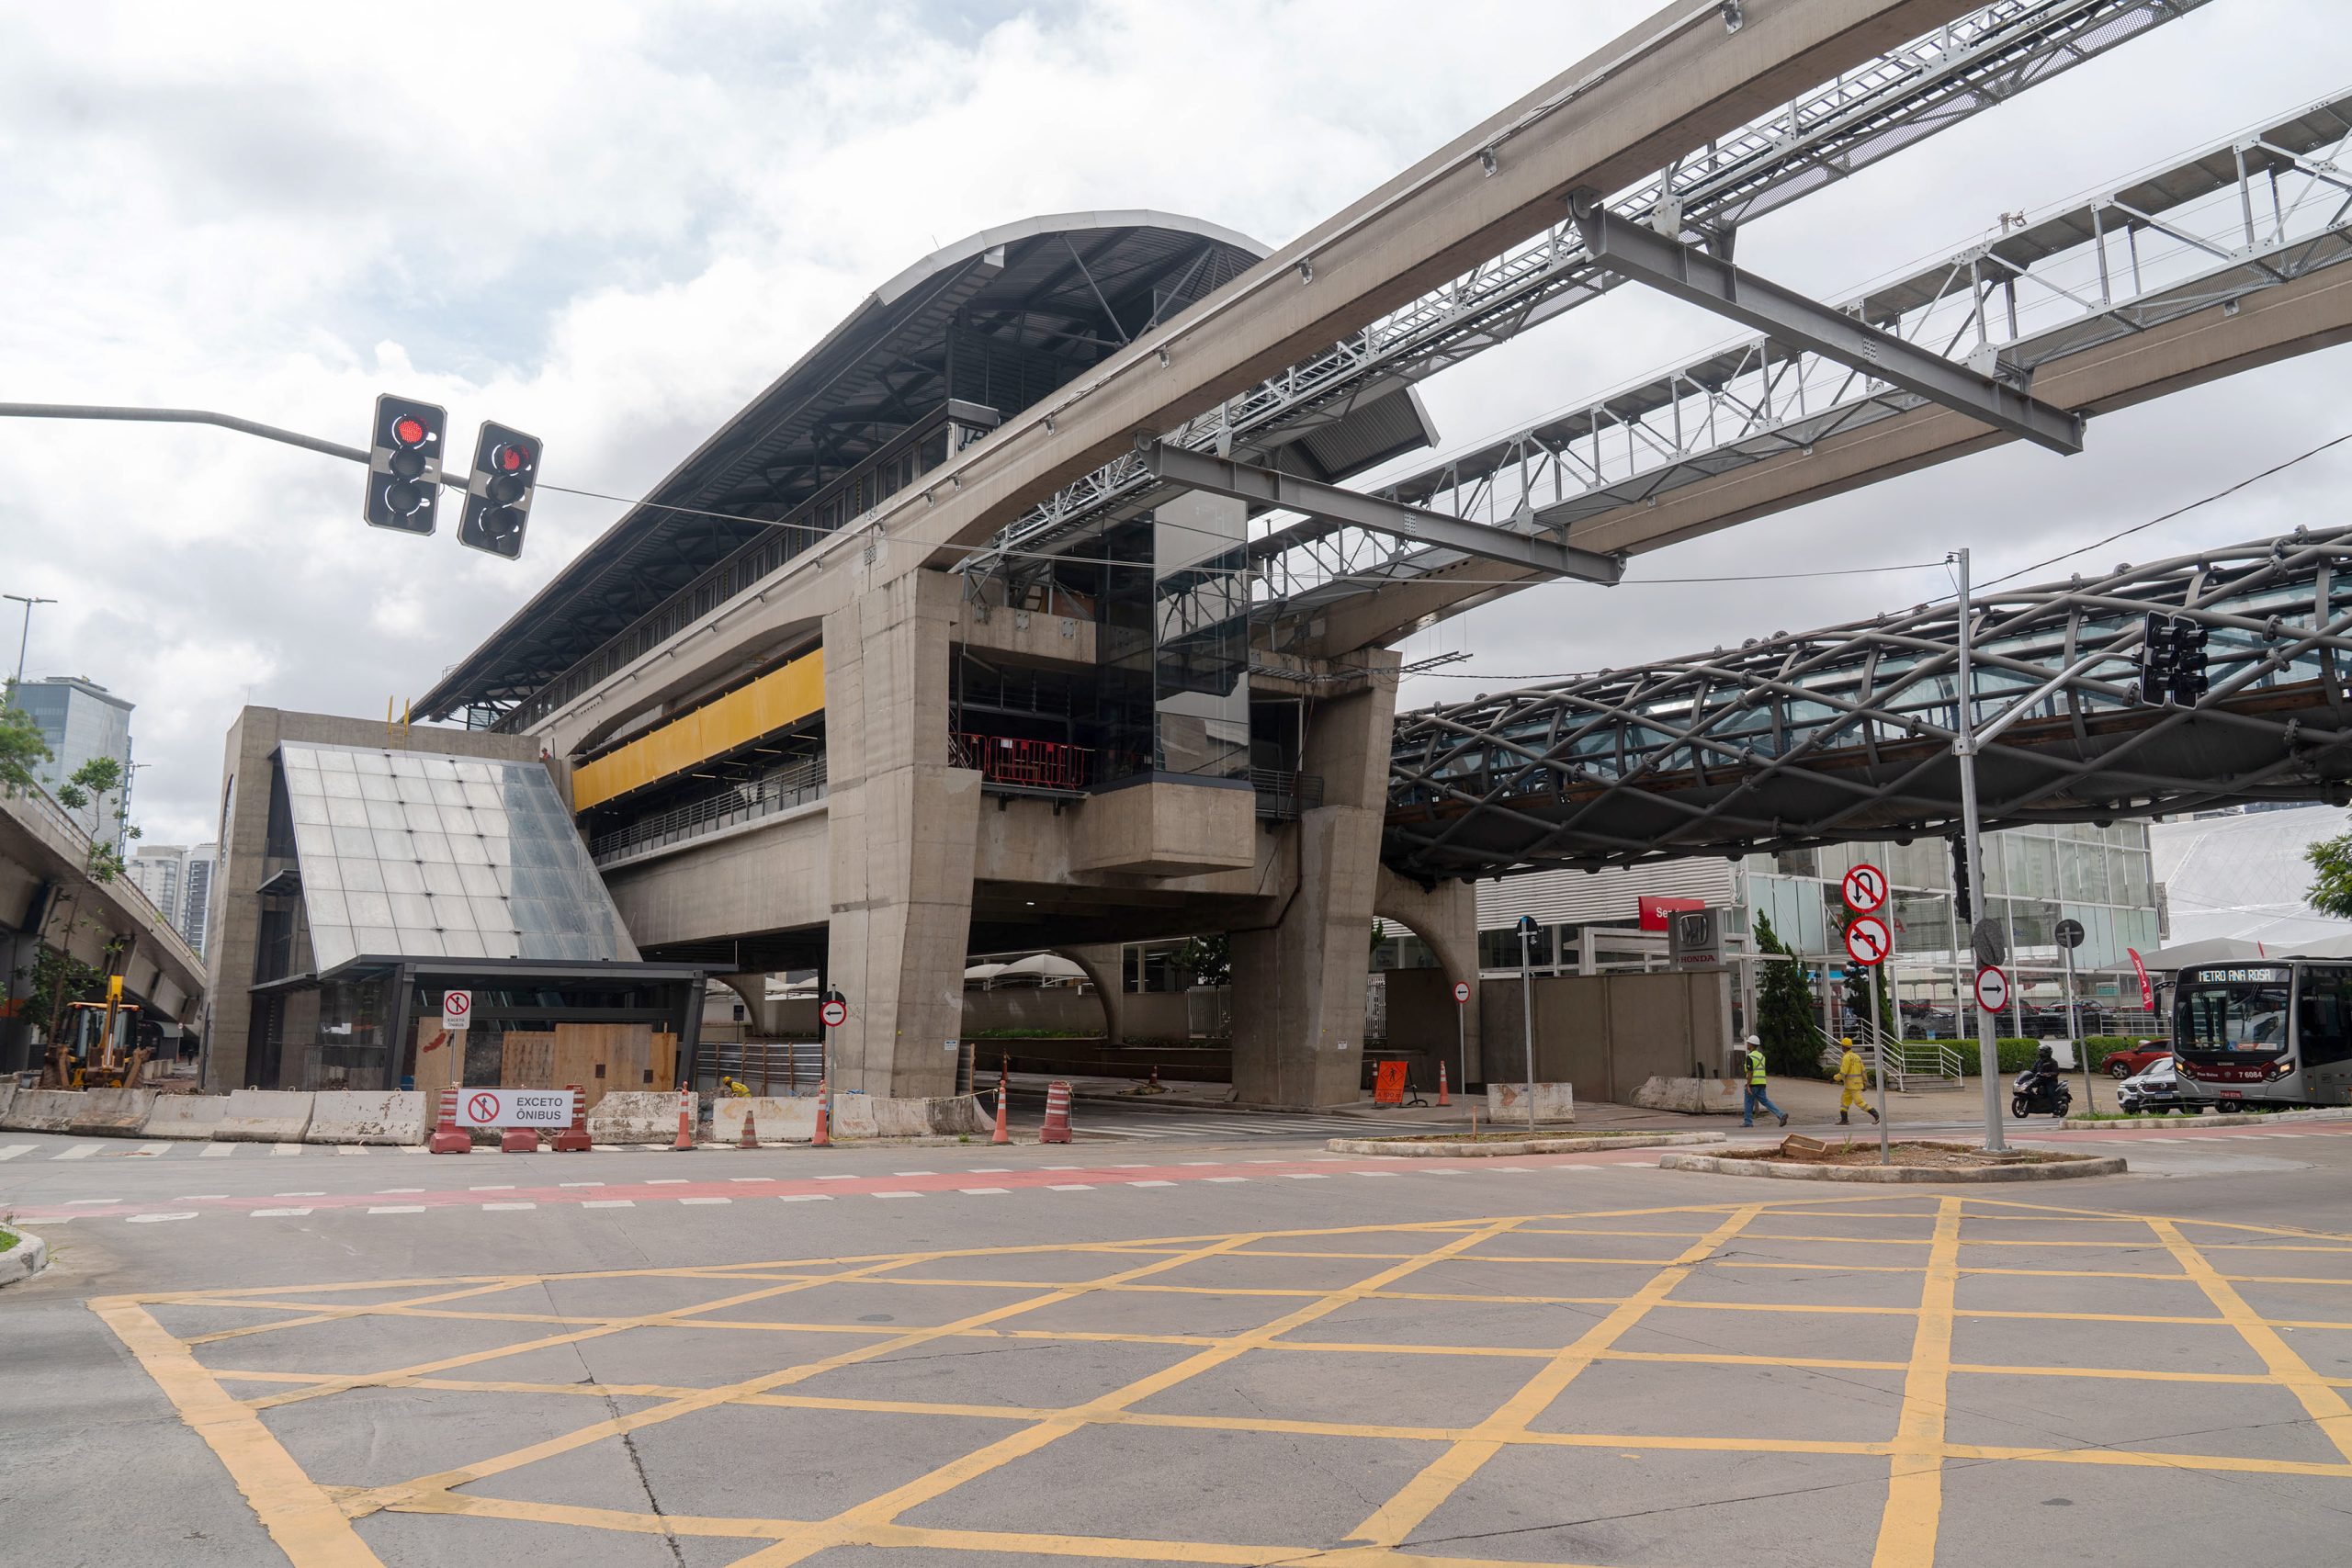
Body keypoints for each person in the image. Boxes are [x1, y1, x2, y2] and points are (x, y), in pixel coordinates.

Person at [1740, 1034, 1789, 1128]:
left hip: (1753, 1084)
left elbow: (1750, 1072)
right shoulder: (1762, 1056)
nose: (1747, 1044)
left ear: (1751, 1044)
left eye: (1748, 1043)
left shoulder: (1750, 1057)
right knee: (1766, 1101)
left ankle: (1748, 1122)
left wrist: (1748, 1085)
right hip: (1762, 1083)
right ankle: (1781, 1114)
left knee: (1748, 1102)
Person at [1836, 1037, 1880, 1126]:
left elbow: (1843, 1072)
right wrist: (1864, 1082)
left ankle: (1876, 1115)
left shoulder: (1846, 1057)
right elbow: (1863, 1071)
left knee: (1859, 1102)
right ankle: (1844, 1120)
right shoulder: (1857, 1057)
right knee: (1844, 1101)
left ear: (1844, 1047)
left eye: (1842, 1046)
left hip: (1852, 1085)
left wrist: (1835, 1078)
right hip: (1852, 1085)